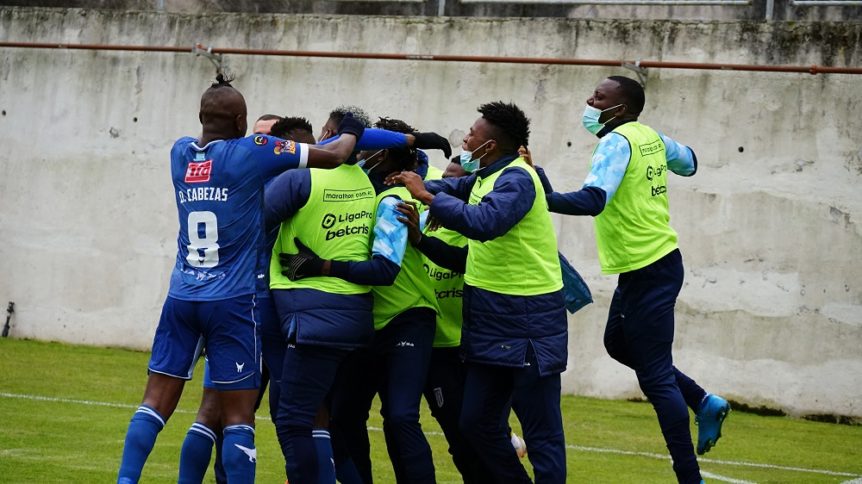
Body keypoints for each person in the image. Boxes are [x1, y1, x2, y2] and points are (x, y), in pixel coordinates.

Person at [116, 75, 364, 484]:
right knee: (237, 417)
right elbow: (336, 155)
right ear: (240, 121)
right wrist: (352, 126)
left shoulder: (179, 152)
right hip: (233, 302)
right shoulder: (254, 150)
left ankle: (125, 480)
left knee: (154, 403)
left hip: (182, 295)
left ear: (201, 116)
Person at [545, 75, 730, 484]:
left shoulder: (615, 142)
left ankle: (690, 475)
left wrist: (541, 197)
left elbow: (593, 199)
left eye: (599, 97)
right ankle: (702, 400)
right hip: (650, 265)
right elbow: (690, 162)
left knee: (655, 376)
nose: (590, 101)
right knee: (618, 343)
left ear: (621, 108)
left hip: (648, 267)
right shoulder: (650, 136)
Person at [388, 102, 568, 483]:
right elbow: (451, 186)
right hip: (490, 324)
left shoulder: (518, 180)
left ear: (490, 146)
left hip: (529, 324)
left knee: (542, 434)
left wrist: (428, 198)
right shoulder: (485, 177)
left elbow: (485, 222)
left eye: (473, 133)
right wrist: (407, 184)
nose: (466, 139)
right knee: (475, 423)